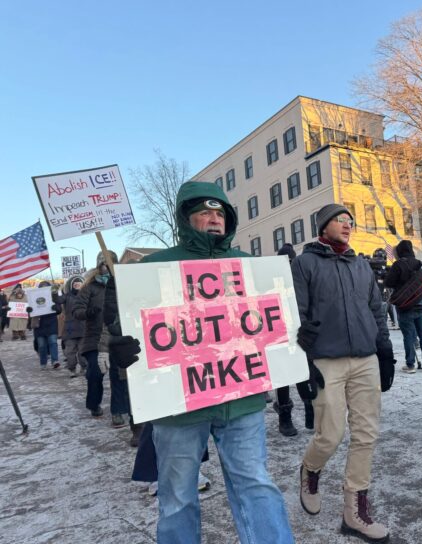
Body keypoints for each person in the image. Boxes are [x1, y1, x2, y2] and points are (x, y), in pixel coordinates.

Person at [111, 181, 293, 544]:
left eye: (220, 212)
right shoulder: (153, 266)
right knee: (177, 496)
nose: (214, 218)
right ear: (186, 218)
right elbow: (126, 323)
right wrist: (121, 343)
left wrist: (300, 335)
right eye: (204, 212)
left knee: (256, 484)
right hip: (179, 408)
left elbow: (277, 318)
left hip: (242, 400)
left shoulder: (249, 265)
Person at [293, 203, 395, 543]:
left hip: (365, 358)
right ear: (324, 226)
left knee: (367, 434)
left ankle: (355, 511)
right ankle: (311, 468)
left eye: (351, 220)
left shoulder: (360, 264)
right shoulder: (305, 263)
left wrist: (385, 350)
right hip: (326, 359)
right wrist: (303, 360)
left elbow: (375, 310)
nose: (348, 225)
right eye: (341, 220)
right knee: (331, 434)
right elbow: (297, 314)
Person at [73, 252, 131, 425]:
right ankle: (94, 403)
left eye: (109, 263)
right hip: (94, 337)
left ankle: (118, 411)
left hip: (116, 336)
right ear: (99, 266)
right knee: (95, 373)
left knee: (119, 375)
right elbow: (77, 311)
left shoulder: (123, 284)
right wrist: (88, 312)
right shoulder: (90, 287)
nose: (106, 266)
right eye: (103, 263)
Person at [271, 242, 315, 436]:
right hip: (281, 332)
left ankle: (305, 411)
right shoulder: (272, 278)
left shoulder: (300, 275)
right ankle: (287, 416)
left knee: (300, 372)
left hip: (298, 331)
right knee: (286, 375)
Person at [385, 239, 422, 373]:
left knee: (408, 335)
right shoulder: (420, 264)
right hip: (421, 303)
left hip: (405, 304)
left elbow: (389, 282)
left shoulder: (398, 265)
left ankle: (410, 364)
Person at [29, 280, 62, 369]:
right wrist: (29, 310)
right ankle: (43, 363)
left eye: (46, 287)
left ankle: (55, 361)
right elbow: (30, 312)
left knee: (53, 342)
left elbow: (59, 310)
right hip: (39, 325)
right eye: (42, 287)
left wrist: (56, 308)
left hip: (51, 323)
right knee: (42, 345)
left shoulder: (54, 296)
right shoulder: (34, 297)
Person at [60, 275, 87, 377]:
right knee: (70, 352)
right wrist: (54, 293)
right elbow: (58, 300)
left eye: (79, 284)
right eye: (75, 284)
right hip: (70, 329)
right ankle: (72, 369)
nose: (77, 286)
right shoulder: (67, 296)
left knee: (82, 352)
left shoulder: (86, 296)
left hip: (83, 329)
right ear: (72, 286)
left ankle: (84, 367)